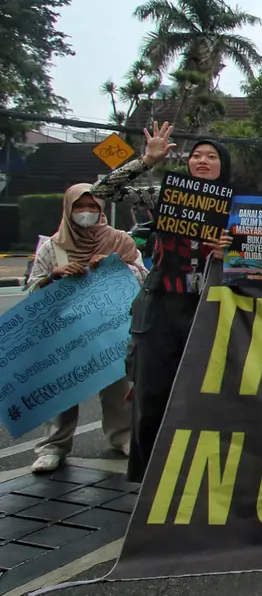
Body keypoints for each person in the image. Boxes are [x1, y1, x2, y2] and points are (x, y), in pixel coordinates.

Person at [88, 122, 233, 481]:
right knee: (151, 393)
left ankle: (200, 474)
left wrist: (230, 252)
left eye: (211, 156)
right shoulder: (164, 195)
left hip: (210, 308)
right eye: (196, 155)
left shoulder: (240, 206)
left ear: (223, 166)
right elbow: (103, 190)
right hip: (161, 304)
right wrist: (146, 160)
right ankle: (146, 476)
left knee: (208, 395)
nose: (202, 161)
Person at [24, 184, 145, 473]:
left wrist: (114, 265)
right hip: (64, 331)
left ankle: (123, 437)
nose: (87, 213)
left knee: (116, 385)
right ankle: (53, 446)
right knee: (60, 389)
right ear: (68, 209)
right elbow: (31, 291)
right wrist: (53, 276)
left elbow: (142, 280)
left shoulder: (120, 241)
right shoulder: (52, 247)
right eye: (80, 207)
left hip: (109, 328)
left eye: (93, 207)